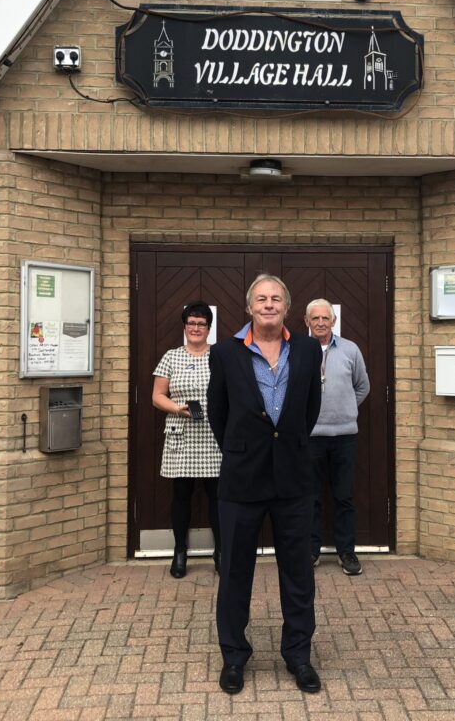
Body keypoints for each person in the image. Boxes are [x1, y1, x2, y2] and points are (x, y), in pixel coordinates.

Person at [207, 274, 323, 696]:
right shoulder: (224, 352)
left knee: (298, 574)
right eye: (261, 298)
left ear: (287, 307)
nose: (269, 304)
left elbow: (310, 409)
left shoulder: (308, 349)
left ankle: (298, 656)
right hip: (242, 478)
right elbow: (219, 413)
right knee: (236, 572)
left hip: (293, 478)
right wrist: (243, 450)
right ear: (249, 307)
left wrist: (285, 444)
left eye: (276, 298)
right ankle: (234, 657)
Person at [151, 301, 221, 579]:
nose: (196, 328)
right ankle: (180, 551)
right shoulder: (171, 357)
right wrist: (177, 409)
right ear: (184, 326)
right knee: (181, 497)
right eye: (191, 323)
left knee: (217, 497)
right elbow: (157, 396)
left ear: (208, 328)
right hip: (181, 433)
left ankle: (221, 551)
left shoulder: (219, 356)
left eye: (201, 324)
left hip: (212, 435)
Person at [304, 299, 370, 575]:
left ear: (333, 321)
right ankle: (311, 550)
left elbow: (362, 386)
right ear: (307, 322)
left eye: (325, 318)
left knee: (344, 497)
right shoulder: (298, 349)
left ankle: (346, 552)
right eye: (315, 318)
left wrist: (345, 409)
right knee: (311, 497)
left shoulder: (350, 349)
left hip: (344, 437)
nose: (320, 323)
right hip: (311, 437)